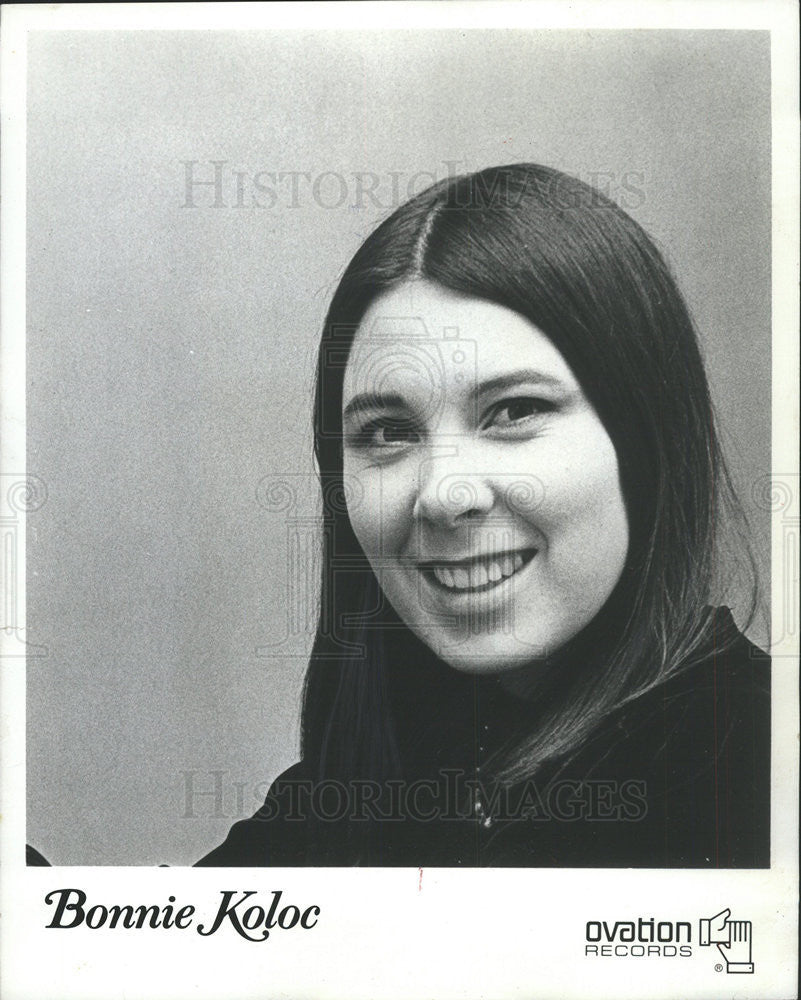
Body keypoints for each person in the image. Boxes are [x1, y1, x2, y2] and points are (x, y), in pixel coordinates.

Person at [197, 163, 769, 868]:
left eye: (513, 411)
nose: (441, 492)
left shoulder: (755, 775)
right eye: (387, 431)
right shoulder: (386, 769)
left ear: (646, 439)